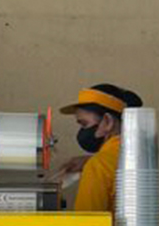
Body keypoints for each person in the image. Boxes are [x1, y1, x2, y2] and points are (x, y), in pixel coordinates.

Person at [57, 84, 143, 214]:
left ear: (108, 121)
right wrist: (88, 161)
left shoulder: (98, 166)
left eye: (84, 124)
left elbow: (87, 222)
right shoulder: (147, 156)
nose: (82, 132)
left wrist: (93, 163)